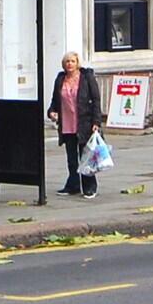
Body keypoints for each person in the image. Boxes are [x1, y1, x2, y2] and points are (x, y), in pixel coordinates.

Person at [45, 51, 106, 198]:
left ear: (77, 63)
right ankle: (73, 185)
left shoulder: (87, 77)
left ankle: (90, 186)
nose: (69, 64)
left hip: (84, 123)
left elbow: (96, 100)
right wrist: (52, 112)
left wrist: (96, 121)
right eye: (67, 62)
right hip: (67, 124)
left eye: (72, 61)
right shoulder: (60, 79)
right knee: (71, 159)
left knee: (86, 156)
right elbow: (55, 100)